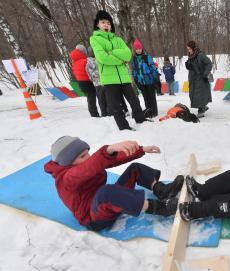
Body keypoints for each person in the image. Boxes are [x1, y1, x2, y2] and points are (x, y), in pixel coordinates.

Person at [44, 136, 184, 231]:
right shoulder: (66, 179)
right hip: (94, 218)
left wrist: (141, 150)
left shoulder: (85, 164)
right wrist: (108, 149)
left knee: (135, 169)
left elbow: (109, 160)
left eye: (88, 153)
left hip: (106, 203)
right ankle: (161, 208)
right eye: (82, 156)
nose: (88, 157)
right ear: (67, 162)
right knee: (106, 192)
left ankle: (162, 190)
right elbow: (87, 169)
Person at [90, 10, 150, 131]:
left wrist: (112, 53)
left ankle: (140, 120)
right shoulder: (94, 39)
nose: (106, 25)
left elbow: (127, 55)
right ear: (97, 24)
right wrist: (120, 59)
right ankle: (124, 127)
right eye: (103, 22)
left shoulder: (118, 40)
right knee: (116, 106)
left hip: (123, 77)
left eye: (108, 23)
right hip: (108, 79)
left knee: (134, 100)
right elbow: (102, 58)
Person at [130, 39, 159, 117]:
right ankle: (149, 111)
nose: (138, 50)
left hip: (150, 81)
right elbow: (135, 70)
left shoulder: (147, 57)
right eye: (137, 49)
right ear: (135, 50)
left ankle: (154, 112)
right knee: (146, 98)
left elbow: (153, 68)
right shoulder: (134, 59)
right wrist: (136, 81)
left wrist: (155, 79)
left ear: (142, 48)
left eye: (139, 48)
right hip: (141, 82)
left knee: (152, 97)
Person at [70, 44, 101, 117]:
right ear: (83, 52)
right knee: (97, 97)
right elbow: (90, 72)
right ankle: (97, 114)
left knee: (90, 99)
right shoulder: (85, 61)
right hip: (88, 82)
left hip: (81, 83)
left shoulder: (74, 63)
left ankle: (93, 114)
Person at [185, 40, 212, 118]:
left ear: (193, 48)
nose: (188, 50)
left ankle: (201, 109)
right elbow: (193, 65)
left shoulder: (200, 55)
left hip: (200, 78)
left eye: (189, 48)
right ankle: (203, 106)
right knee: (193, 94)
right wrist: (188, 65)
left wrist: (205, 73)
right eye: (188, 49)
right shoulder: (191, 55)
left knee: (199, 94)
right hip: (193, 78)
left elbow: (209, 64)